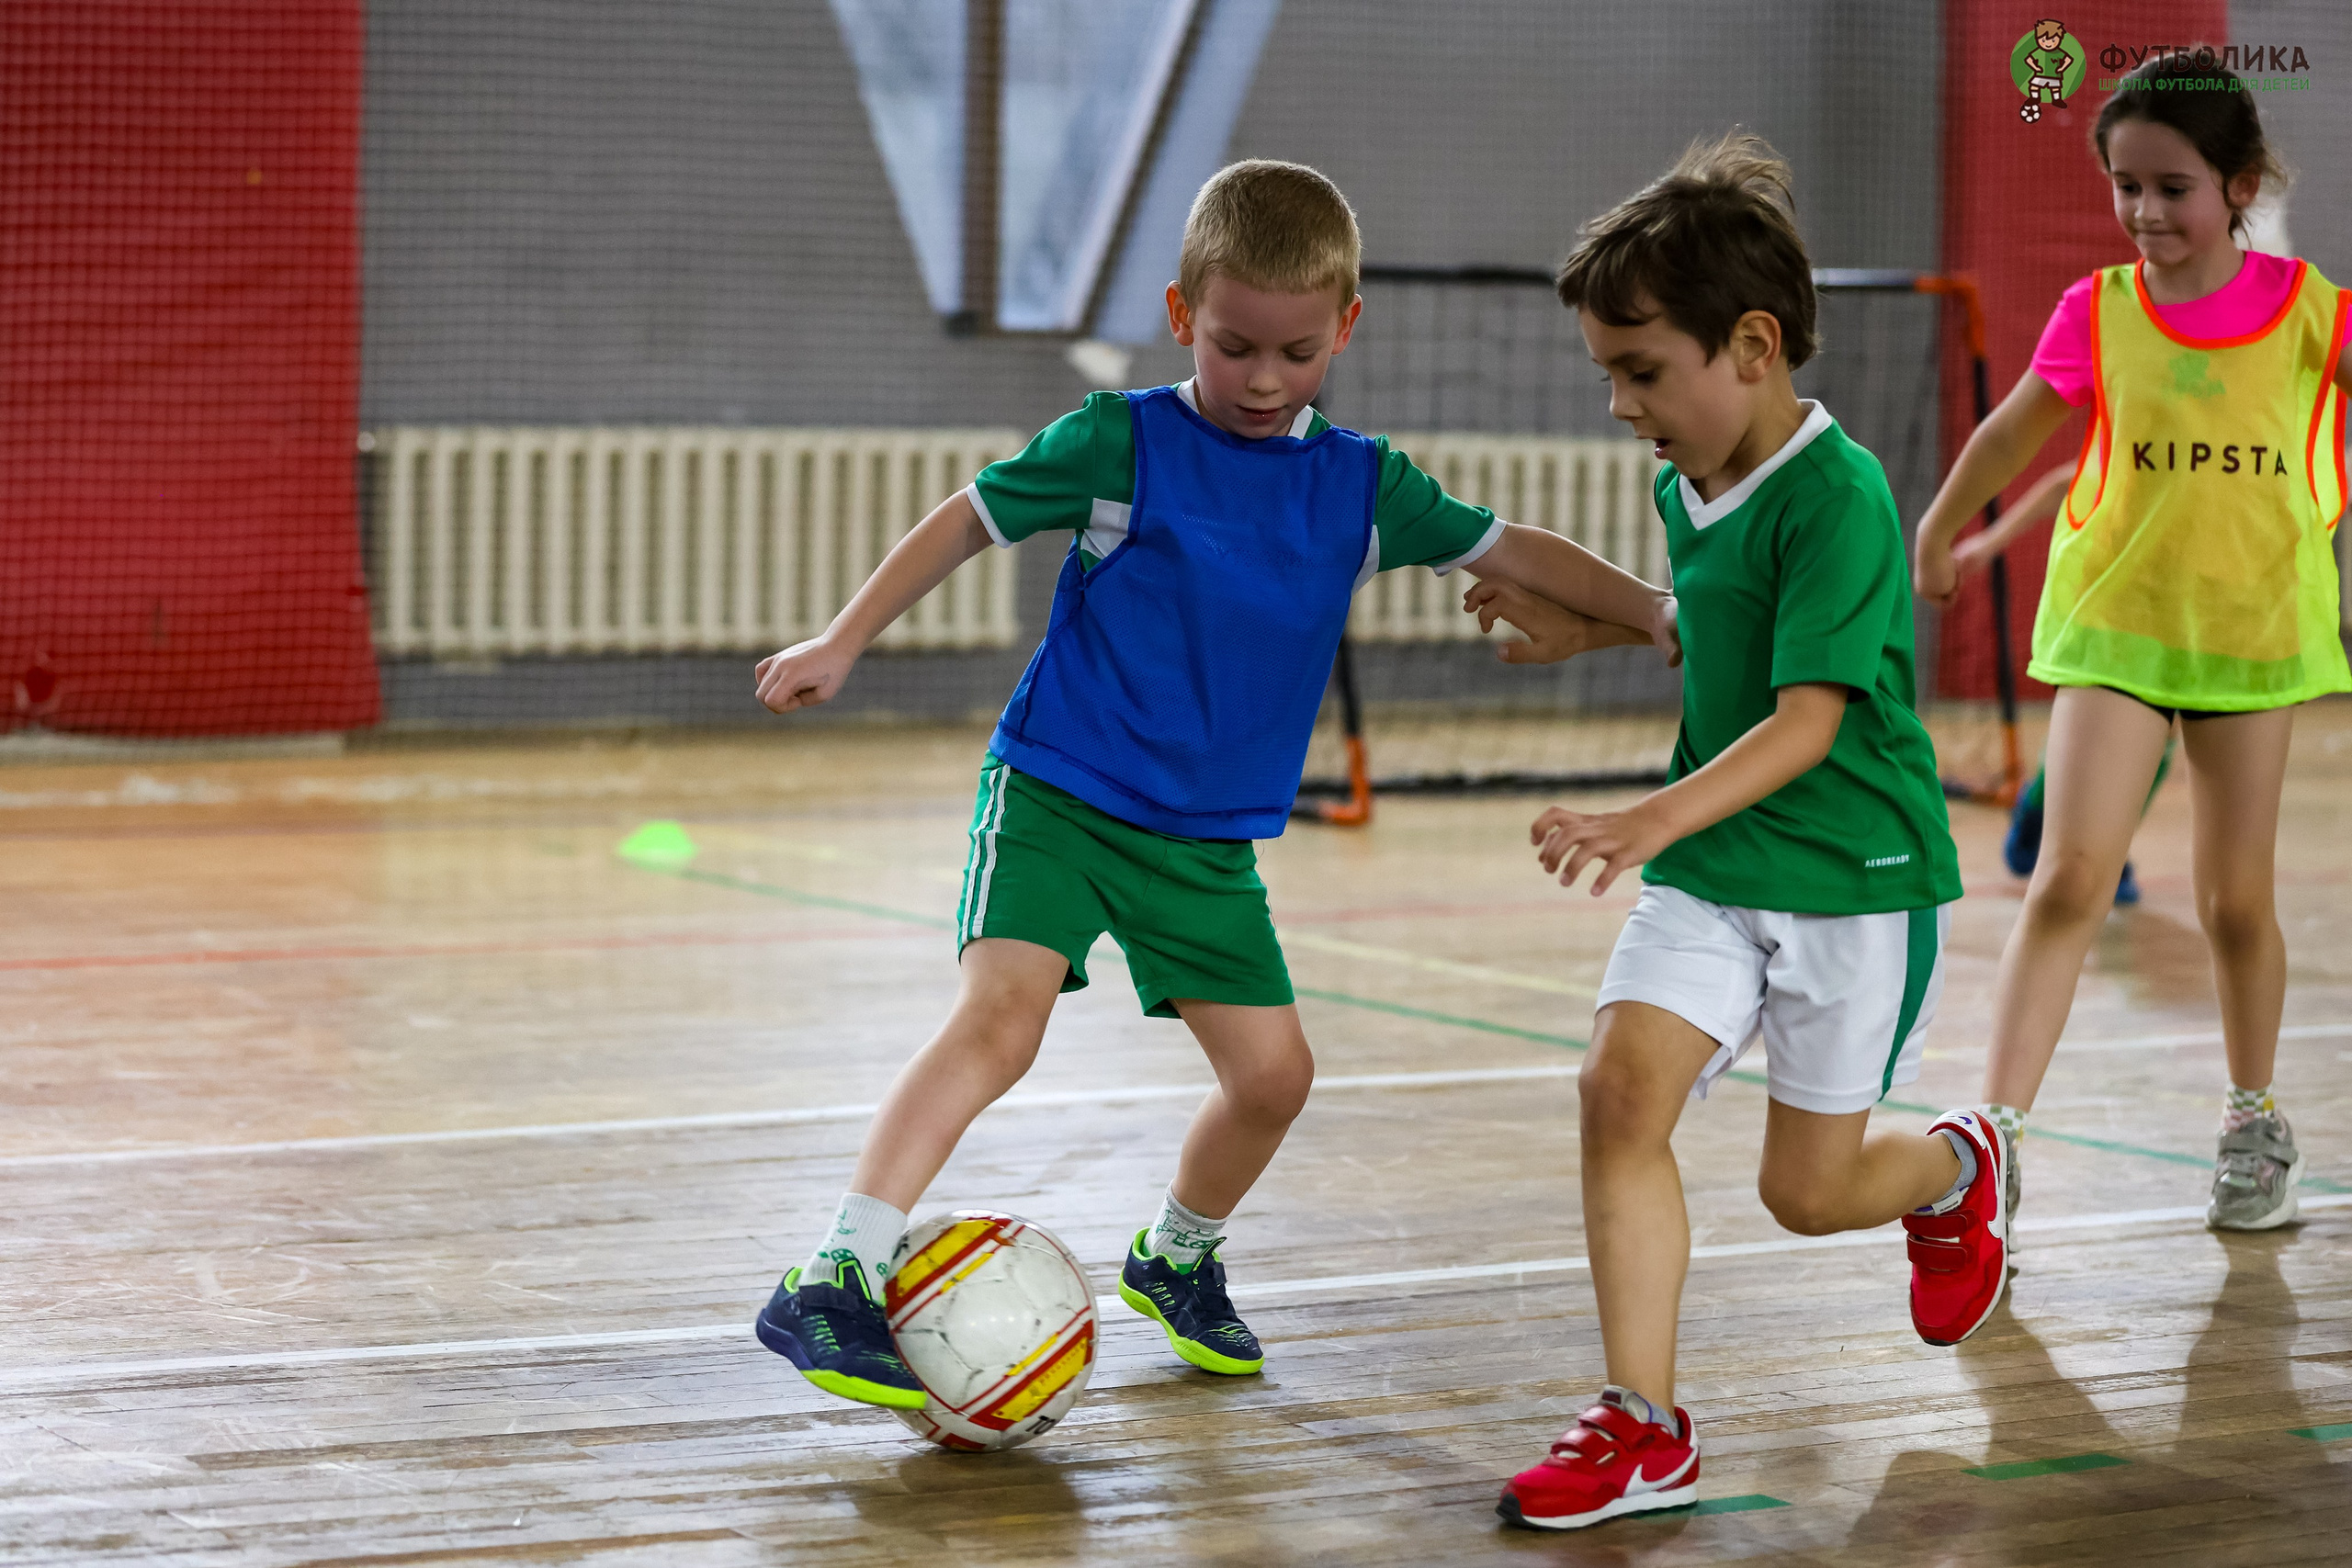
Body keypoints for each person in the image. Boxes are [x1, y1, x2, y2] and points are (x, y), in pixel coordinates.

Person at [748, 159, 1680, 1411]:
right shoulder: (1118, 439)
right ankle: (836, 1268)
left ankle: (1175, 1254)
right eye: (1234, 344)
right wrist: (841, 636)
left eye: (1296, 352)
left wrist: (1668, 613)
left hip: (1203, 844)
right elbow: (966, 517)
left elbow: (1514, 545)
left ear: (1345, 328)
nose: (1260, 378)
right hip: (1061, 793)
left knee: (1275, 1077)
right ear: (1184, 314)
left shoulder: (1361, 484)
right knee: (1000, 1020)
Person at [1472, 132, 1999, 1533]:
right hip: (1715, 869)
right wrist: (1577, 625)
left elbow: (1809, 720)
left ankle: (1958, 1167)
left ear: (1752, 346)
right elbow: (1690, 623)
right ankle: (1644, 1423)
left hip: (1848, 874)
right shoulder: (1685, 480)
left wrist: (1643, 815)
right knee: (1615, 1093)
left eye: (1641, 370)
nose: (1618, 401)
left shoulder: (1841, 495)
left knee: (1810, 1194)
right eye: (1610, 372)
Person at [1913, 53, 2347, 1235]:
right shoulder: (2095, 313)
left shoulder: (2314, 316)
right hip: (2116, 629)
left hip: (2254, 642)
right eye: (2125, 188)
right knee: (2065, 878)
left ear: (2239, 185)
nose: (2146, 214)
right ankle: (1989, 1148)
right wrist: (1943, 522)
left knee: (2235, 905)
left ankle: (2254, 1121)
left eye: (2173, 187)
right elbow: (2013, 437)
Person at [1944, 462, 2167, 907]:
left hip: (2179, 615)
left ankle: (2111, 851)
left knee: (2161, 744)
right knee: (2093, 741)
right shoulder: (2145, 431)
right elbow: (2058, 484)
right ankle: (2040, 805)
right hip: (2106, 610)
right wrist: (1990, 543)